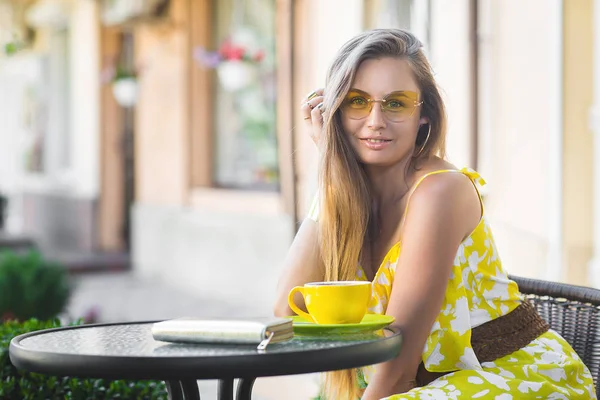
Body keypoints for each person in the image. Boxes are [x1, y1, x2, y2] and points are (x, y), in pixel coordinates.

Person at [273, 29, 596, 400]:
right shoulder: (347, 198)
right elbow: (287, 311)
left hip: (513, 376)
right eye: (356, 101)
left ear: (423, 114)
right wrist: (332, 170)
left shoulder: (441, 191)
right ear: (333, 112)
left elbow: (398, 366)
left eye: (395, 103)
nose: (375, 120)